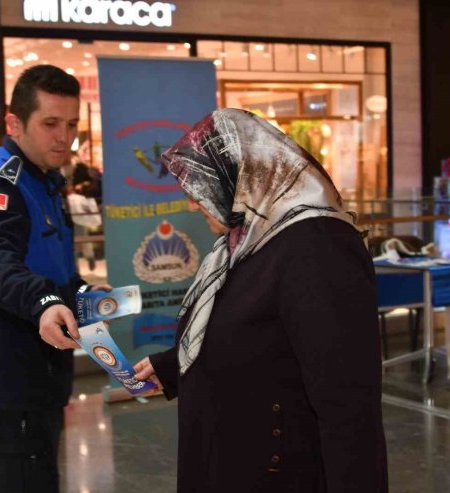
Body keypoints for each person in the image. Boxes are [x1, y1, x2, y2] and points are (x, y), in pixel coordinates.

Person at [133, 109, 388, 492]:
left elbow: (347, 403)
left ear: (243, 175)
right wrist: (172, 366)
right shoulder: (247, 240)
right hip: (229, 462)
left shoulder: (319, 246)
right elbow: (254, 335)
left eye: (200, 186)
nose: (192, 204)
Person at [0, 65, 110, 493]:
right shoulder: (0, 185)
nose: (64, 137)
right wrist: (44, 302)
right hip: (6, 386)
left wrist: (82, 293)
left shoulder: (44, 181)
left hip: (39, 380)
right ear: (14, 123)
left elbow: (51, 269)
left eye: (72, 125)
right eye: (50, 123)